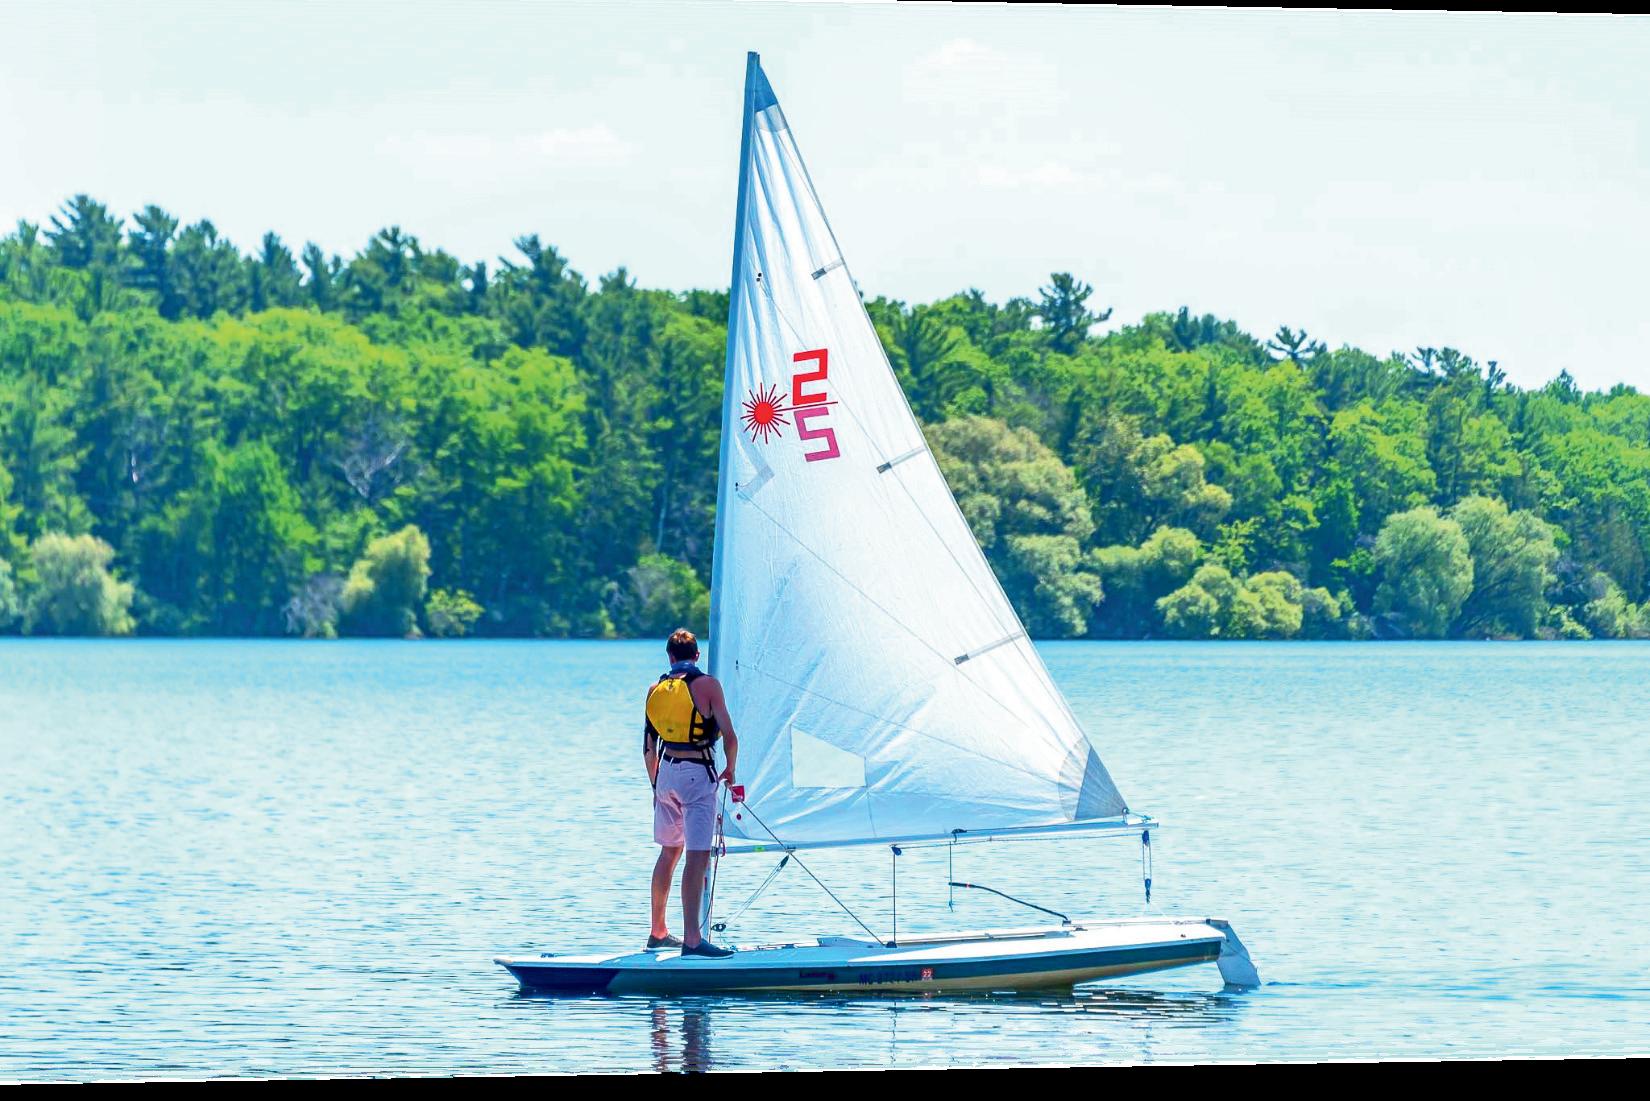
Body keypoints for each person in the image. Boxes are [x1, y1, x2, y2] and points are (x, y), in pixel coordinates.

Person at [643, 628, 738, 957]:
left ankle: (657, 932)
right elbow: (730, 736)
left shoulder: (655, 689)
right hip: (697, 774)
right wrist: (731, 769)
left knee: (669, 852)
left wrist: (656, 787)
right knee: (696, 858)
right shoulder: (708, 686)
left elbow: (648, 747)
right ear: (697, 655)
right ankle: (693, 941)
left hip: (665, 773)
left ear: (670, 657)